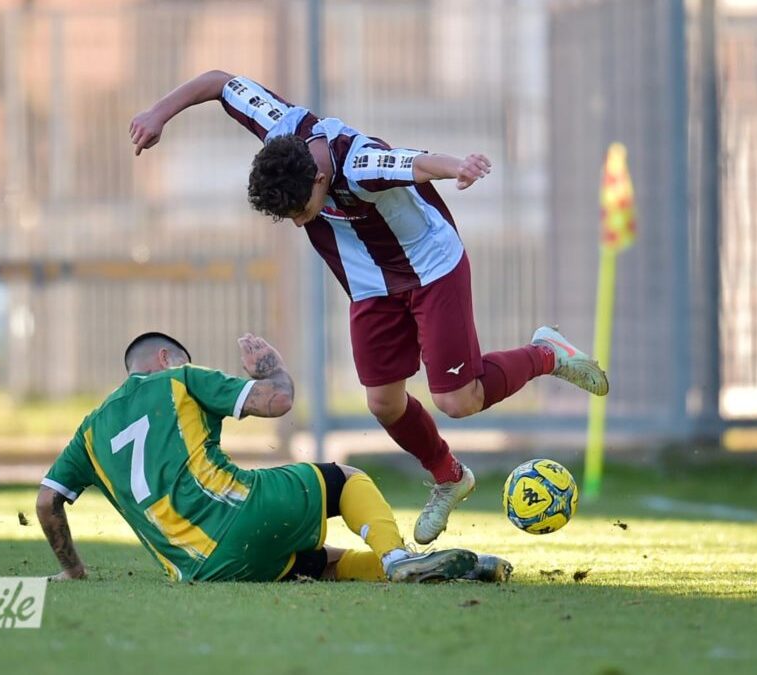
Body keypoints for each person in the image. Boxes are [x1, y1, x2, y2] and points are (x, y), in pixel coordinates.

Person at [128, 71, 610, 544]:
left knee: (457, 401)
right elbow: (219, 82)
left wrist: (460, 167)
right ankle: (449, 476)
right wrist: (157, 113)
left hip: (431, 269)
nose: (298, 223)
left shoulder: (360, 164)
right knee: (383, 403)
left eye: (300, 211)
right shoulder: (282, 131)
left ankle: (547, 354)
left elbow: (418, 164)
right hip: (369, 285)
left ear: (320, 178)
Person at [36, 331, 512, 584]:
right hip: (242, 514)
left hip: (200, 570)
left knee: (322, 563)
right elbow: (278, 401)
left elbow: (46, 502)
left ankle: (463, 568)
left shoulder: (90, 432)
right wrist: (271, 366)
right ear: (164, 358)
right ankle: (396, 557)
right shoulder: (180, 378)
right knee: (345, 479)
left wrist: (74, 569)